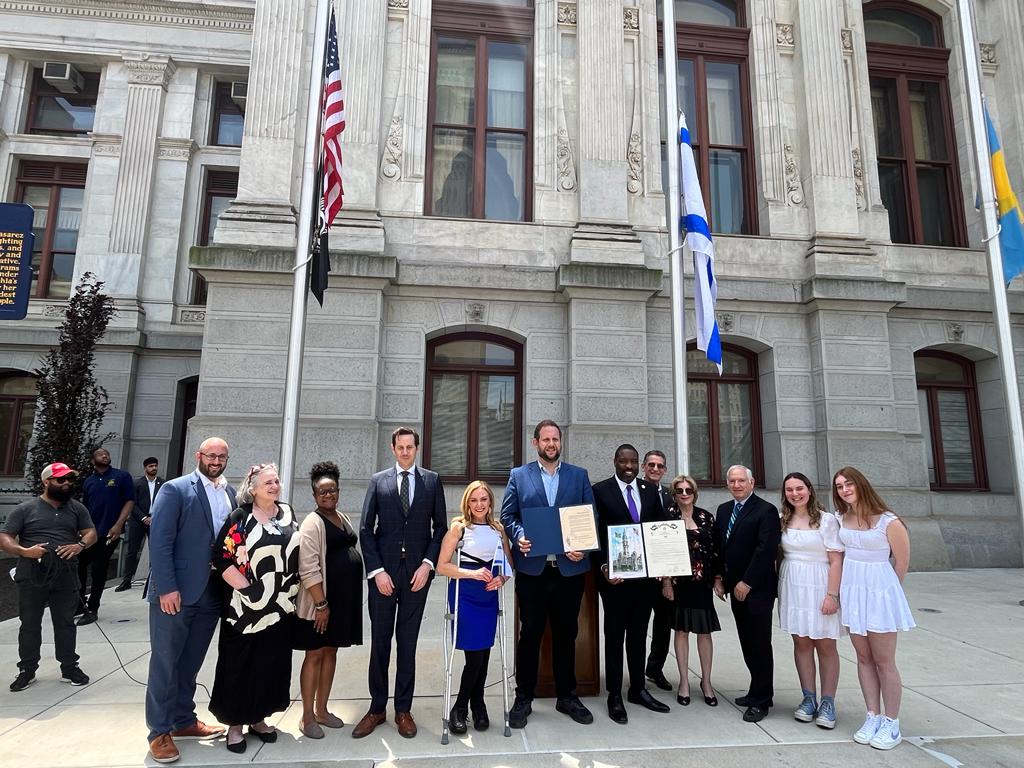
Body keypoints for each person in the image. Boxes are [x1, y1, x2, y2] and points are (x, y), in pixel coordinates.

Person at [500, 419, 595, 729]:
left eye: (556, 439)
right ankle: (523, 697)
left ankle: (567, 695)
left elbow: (588, 517)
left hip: (569, 570)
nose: (551, 444)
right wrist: (519, 535)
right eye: (546, 439)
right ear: (535, 442)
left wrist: (582, 545)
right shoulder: (519, 475)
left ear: (560, 442)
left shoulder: (578, 476)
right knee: (530, 634)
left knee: (566, 634)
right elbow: (508, 516)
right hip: (534, 570)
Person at [355, 427, 448, 740]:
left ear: (417, 449)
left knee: (407, 645)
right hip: (384, 576)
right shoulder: (378, 481)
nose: (406, 452)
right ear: (393, 449)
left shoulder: (432, 481)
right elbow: (366, 529)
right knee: (380, 643)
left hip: (416, 578)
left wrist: (428, 564)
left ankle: (403, 710)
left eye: (411, 447)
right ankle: (377, 708)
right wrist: (377, 571)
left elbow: (441, 528)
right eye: (401, 447)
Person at [146, 437, 234, 764]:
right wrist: (167, 587)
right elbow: (160, 542)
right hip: (176, 593)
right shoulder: (175, 489)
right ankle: (158, 732)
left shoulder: (228, 492)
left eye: (221, 456)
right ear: (199, 456)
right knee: (165, 663)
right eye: (211, 455)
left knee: (191, 662)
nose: (216, 460)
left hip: (211, 592)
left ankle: (183, 720)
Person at [209, 462, 299, 753]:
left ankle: (258, 718)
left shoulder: (287, 513)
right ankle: (235, 725)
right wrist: (249, 590)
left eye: (276, 481)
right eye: (267, 483)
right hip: (245, 608)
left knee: (269, 663)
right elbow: (223, 558)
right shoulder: (241, 517)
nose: (274, 486)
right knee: (239, 665)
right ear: (253, 488)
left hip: (279, 606)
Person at [833, 466, 914, 751]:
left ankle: (892, 721)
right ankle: (873, 715)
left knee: (884, 660)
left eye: (849, 484)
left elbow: (901, 563)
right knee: (863, 657)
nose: (844, 489)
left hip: (879, 593)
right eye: (840, 486)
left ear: (861, 485)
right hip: (852, 590)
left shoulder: (888, 522)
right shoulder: (841, 519)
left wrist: (888, 597)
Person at [592, 445, 670, 724]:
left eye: (633, 461)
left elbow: (659, 530)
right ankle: (615, 694)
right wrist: (603, 566)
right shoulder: (600, 491)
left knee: (638, 635)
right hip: (615, 580)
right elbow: (595, 533)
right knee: (614, 636)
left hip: (645, 580)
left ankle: (638, 688)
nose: (629, 465)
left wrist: (665, 569)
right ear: (615, 461)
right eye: (623, 460)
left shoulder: (650, 491)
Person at [1, 463, 96, 692]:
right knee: (30, 623)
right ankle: (27, 669)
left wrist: (79, 545)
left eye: (69, 480)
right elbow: (5, 537)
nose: (66, 484)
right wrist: (25, 552)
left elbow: (91, 532)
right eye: (60, 480)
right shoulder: (25, 509)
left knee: (65, 622)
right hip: (32, 574)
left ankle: (69, 666)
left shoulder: (76, 508)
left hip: (65, 574)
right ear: (46, 482)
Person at [293, 461, 363, 739]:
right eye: (322, 492)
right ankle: (307, 716)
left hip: (341, 602)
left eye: (332, 490)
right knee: (314, 654)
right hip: (320, 604)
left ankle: (322, 710)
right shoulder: (312, 522)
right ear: (314, 495)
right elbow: (308, 567)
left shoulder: (341, 517)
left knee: (331, 651)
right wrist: (321, 605)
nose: (328, 496)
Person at [437, 480, 513, 734]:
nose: (479, 504)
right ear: (467, 503)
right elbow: (442, 566)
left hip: (488, 594)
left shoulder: (498, 528)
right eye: (474, 500)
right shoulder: (459, 528)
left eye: (483, 499)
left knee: (484, 652)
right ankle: (460, 707)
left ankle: (478, 705)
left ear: (490, 501)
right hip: (465, 594)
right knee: (475, 657)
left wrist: (501, 578)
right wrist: (470, 574)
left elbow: (508, 566)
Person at [714, 464, 781, 723]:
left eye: (741, 480)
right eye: (732, 481)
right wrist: (719, 578)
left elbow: (765, 550)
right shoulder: (724, 510)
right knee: (746, 642)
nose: (737, 485)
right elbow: (720, 548)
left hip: (757, 590)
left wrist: (747, 582)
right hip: (734, 588)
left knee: (759, 644)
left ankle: (762, 701)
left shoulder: (766, 511)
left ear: (751, 483)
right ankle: (757, 690)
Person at [778, 472, 844, 729]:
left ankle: (828, 702)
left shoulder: (826, 520)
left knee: (825, 644)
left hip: (819, 583)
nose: (795, 494)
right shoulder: (783, 519)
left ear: (809, 489)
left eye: (799, 488)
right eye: (789, 490)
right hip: (793, 585)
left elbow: (836, 559)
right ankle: (808, 698)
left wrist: (832, 594)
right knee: (801, 642)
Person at [660, 474, 720, 708]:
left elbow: (715, 550)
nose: (684, 494)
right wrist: (665, 582)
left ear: (695, 493)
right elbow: (661, 552)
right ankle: (684, 682)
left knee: (704, 632)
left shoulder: (706, 517)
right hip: (679, 584)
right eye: (679, 491)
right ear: (674, 495)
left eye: (688, 490)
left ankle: (706, 682)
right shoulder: (667, 517)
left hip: (701, 583)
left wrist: (717, 579)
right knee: (682, 630)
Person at [77, 446, 135, 624]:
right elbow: (85, 508)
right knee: (79, 564)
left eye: (107, 454)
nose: (105, 455)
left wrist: (119, 525)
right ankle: (79, 603)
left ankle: (93, 608)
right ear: (93, 461)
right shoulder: (89, 481)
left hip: (110, 532)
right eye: (101, 454)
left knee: (99, 568)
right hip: (90, 532)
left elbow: (129, 501)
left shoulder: (121, 477)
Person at [641, 449, 675, 691]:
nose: (654, 469)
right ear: (644, 467)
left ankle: (655, 668)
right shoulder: (634, 491)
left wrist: (669, 576)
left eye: (659, 466)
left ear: (664, 470)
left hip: (665, 569)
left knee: (663, 623)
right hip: (640, 569)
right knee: (639, 624)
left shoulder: (672, 495)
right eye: (651, 465)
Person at [117, 457, 164, 592]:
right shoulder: (137, 483)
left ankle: (153, 580)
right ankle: (126, 580)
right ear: (145, 468)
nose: (153, 468)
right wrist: (143, 518)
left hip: (155, 521)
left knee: (155, 550)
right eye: (150, 466)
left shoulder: (163, 484)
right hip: (138, 521)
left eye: (155, 465)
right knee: (132, 551)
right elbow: (132, 503)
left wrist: (154, 517)